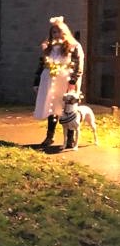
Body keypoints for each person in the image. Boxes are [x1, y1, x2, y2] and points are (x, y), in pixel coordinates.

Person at [33, 16, 84, 148]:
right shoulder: (49, 48)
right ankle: (50, 136)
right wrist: (36, 81)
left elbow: (77, 66)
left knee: (68, 109)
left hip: (66, 81)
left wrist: (72, 82)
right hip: (50, 80)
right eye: (54, 32)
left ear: (65, 32)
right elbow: (41, 64)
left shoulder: (73, 47)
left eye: (59, 31)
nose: (57, 34)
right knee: (53, 108)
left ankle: (70, 138)